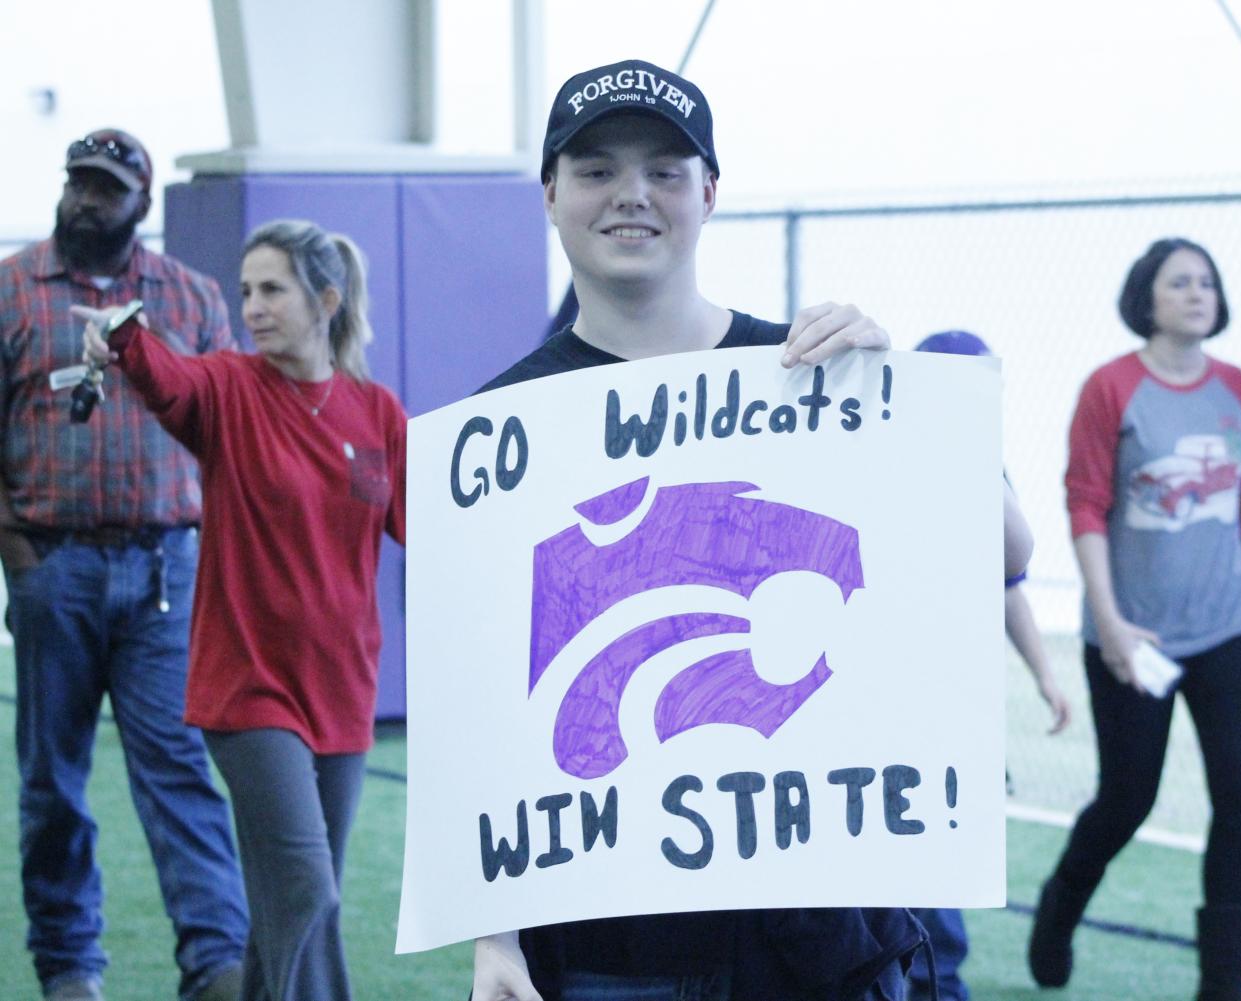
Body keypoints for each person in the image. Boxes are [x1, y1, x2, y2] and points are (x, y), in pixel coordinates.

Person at [468, 59, 1034, 1001]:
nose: (631, 196)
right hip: (612, 936)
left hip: (816, 929)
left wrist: (904, 403)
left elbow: (1006, 554)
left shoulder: (814, 370)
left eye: (664, 170)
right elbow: (484, 699)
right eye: (597, 169)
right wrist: (495, 935)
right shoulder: (501, 430)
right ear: (551, 195)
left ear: (709, 193)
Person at [77, 219, 406, 1001]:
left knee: (279, 907)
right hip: (250, 688)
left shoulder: (377, 412)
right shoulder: (227, 387)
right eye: (246, 290)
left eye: (271, 290)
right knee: (308, 890)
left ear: (325, 299)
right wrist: (125, 338)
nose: (251, 306)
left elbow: (430, 522)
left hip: (344, 689)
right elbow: (169, 382)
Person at [0, 129, 247, 1001]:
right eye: (78, 183)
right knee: (52, 781)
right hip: (52, 566)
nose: (86, 200)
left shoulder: (189, 297)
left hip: (165, 573)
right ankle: (69, 967)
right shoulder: (11, 290)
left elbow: (230, 428)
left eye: (106, 188)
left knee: (180, 771)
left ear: (142, 203)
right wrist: (15, 545)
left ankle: (217, 962)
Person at [1027, 238, 1241, 1001]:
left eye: (1206, 281)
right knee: (1127, 798)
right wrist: (1107, 620)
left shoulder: (1236, 387)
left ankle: (1222, 983)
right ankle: (1059, 905)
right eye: (1179, 283)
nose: (1196, 293)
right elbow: (1085, 504)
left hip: (1230, 627)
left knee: (1237, 794)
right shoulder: (1110, 387)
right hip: (1133, 635)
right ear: (1147, 298)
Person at [908, 330, 1070, 1001]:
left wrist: (1044, 673)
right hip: (895, 704)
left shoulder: (985, 469)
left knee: (943, 862)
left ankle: (938, 982)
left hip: (955, 708)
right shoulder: (888, 454)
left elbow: (1008, 579)